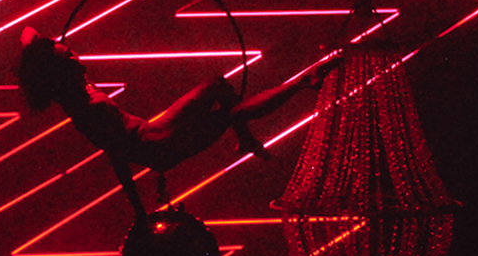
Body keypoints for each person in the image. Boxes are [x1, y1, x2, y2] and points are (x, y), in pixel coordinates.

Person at [17, 27, 334, 209]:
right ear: (61, 73)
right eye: (69, 57)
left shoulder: (79, 84)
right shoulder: (85, 109)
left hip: (156, 130)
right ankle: (303, 83)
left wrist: (40, 46)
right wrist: (139, 210)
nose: (77, 56)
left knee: (216, 84)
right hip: (161, 146)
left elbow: (28, 35)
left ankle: (245, 138)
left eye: (70, 50)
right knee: (231, 113)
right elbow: (117, 158)